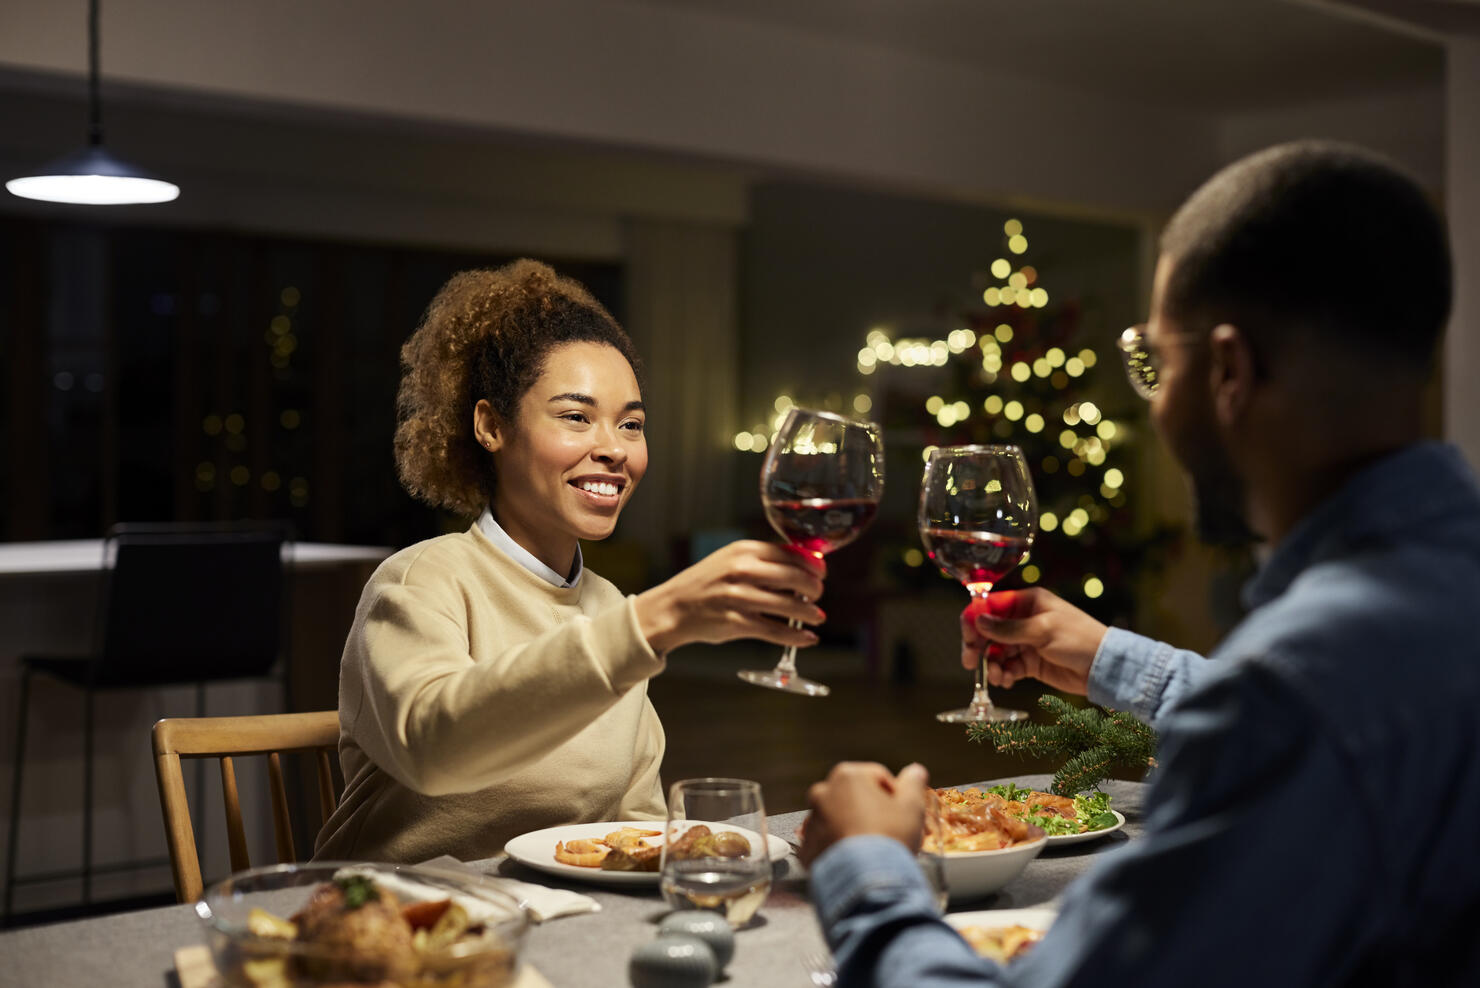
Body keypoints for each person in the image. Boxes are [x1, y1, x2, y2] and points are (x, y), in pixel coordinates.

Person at [799, 140, 1480, 985]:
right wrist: (1113, 661)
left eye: (1155, 363)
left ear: (1229, 369)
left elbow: (1305, 716)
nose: (1155, 404)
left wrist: (868, 872)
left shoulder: (1301, 691)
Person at [315, 259, 826, 863]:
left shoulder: (608, 606)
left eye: (631, 424)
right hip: (395, 926)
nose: (613, 448)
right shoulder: (418, 581)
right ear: (490, 426)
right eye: (576, 417)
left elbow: (638, 827)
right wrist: (654, 622)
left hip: (562, 923)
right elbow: (433, 748)